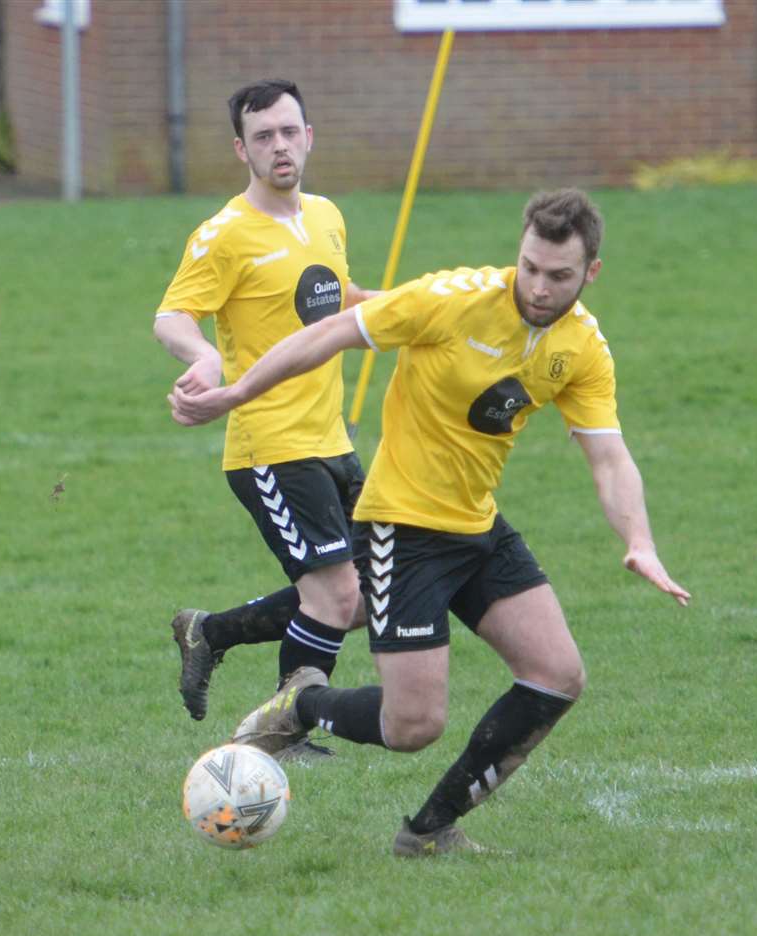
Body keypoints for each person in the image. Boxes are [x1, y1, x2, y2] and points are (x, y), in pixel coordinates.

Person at [169, 188, 689, 855]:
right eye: (529, 266)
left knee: (558, 675)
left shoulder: (582, 347)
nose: (537, 285)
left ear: (590, 273)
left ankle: (428, 832)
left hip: (478, 526)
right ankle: (301, 703)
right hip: (401, 528)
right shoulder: (451, 299)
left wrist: (640, 541)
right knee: (413, 724)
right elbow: (329, 333)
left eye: (558, 275)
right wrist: (238, 393)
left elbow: (610, 460)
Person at [154, 78, 379, 741]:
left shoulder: (326, 216)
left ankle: (210, 631)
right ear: (241, 150)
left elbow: (341, 297)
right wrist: (203, 357)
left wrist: (428, 308)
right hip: (270, 448)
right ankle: (286, 731)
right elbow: (172, 315)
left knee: (366, 598)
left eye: (289, 132)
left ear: (308, 136)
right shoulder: (225, 234)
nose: (279, 146)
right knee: (335, 596)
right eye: (263, 137)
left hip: (333, 437)